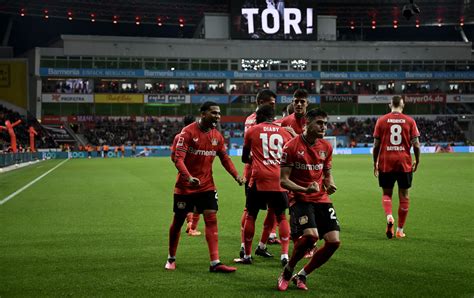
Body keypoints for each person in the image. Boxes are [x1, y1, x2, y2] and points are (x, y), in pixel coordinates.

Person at [166, 101, 245, 273]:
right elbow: (177, 159)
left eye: (219, 113)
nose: (217, 116)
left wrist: (236, 176)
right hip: (185, 187)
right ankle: (171, 258)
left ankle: (215, 262)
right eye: (213, 112)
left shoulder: (217, 135)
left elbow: (225, 158)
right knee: (178, 221)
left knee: (211, 218)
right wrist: (189, 177)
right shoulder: (186, 133)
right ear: (203, 114)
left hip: (207, 186)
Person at [277, 108, 340, 291]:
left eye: (325, 124)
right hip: (300, 198)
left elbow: (327, 173)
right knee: (311, 236)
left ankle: (302, 274)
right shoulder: (291, 147)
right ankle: (288, 270)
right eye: (319, 123)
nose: (323, 127)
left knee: (334, 242)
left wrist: (330, 183)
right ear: (307, 124)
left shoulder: (326, 147)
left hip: (321, 198)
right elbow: (283, 180)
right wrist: (305, 188)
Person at [234, 105, 292, 266]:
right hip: (279, 179)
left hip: (259, 179)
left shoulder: (252, 131)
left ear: (259, 116)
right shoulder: (285, 132)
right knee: (281, 216)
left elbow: (245, 158)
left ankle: (246, 255)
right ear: (273, 117)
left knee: (251, 215)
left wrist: (257, 160)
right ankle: (285, 256)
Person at [239, 89, 280, 257]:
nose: (273, 105)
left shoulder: (253, 120)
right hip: (257, 172)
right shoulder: (255, 121)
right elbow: (249, 151)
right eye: (270, 103)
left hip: (262, 170)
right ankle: (246, 246)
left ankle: (261, 243)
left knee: (271, 210)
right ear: (261, 102)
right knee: (252, 211)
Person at [372, 95, 420, 239]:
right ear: (402, 104)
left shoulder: (381, 120)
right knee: (404, 196)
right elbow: (416, 144)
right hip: (404, 162)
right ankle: (399, 230)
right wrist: (417, 160)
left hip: (386, 162)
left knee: (387, 194)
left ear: (389, 105)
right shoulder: (410, 121)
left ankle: (389, 216)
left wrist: (375, 162)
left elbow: (376, 145)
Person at [170, 115, 202, 236]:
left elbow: (174, 157)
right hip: (198, 173)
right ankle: (192, 227)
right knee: (199, 200)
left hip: (183, 173)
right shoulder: (196, 136)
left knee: (184, 200)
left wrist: (182, 168)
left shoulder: (178, 136)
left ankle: (188, 224)